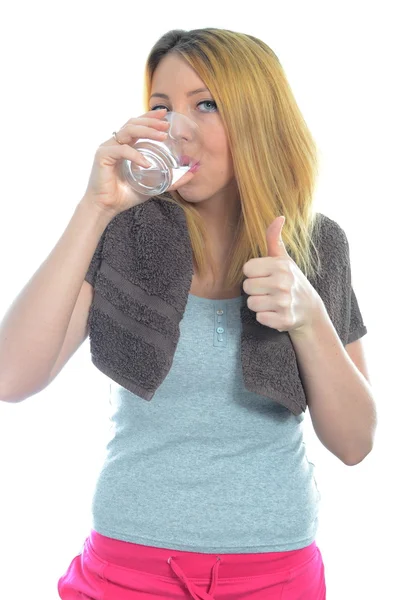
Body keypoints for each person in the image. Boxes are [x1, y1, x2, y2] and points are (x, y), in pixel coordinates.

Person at [0, 28, 376, 600]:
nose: (179, 128)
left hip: (274, 572)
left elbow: (355, 444)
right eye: (161, 106)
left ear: (257, 116)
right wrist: (94, 208)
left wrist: (309, 318)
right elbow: (11, 378)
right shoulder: (124, 232)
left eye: (206, 104)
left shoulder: (317, 245)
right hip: (126, 568)